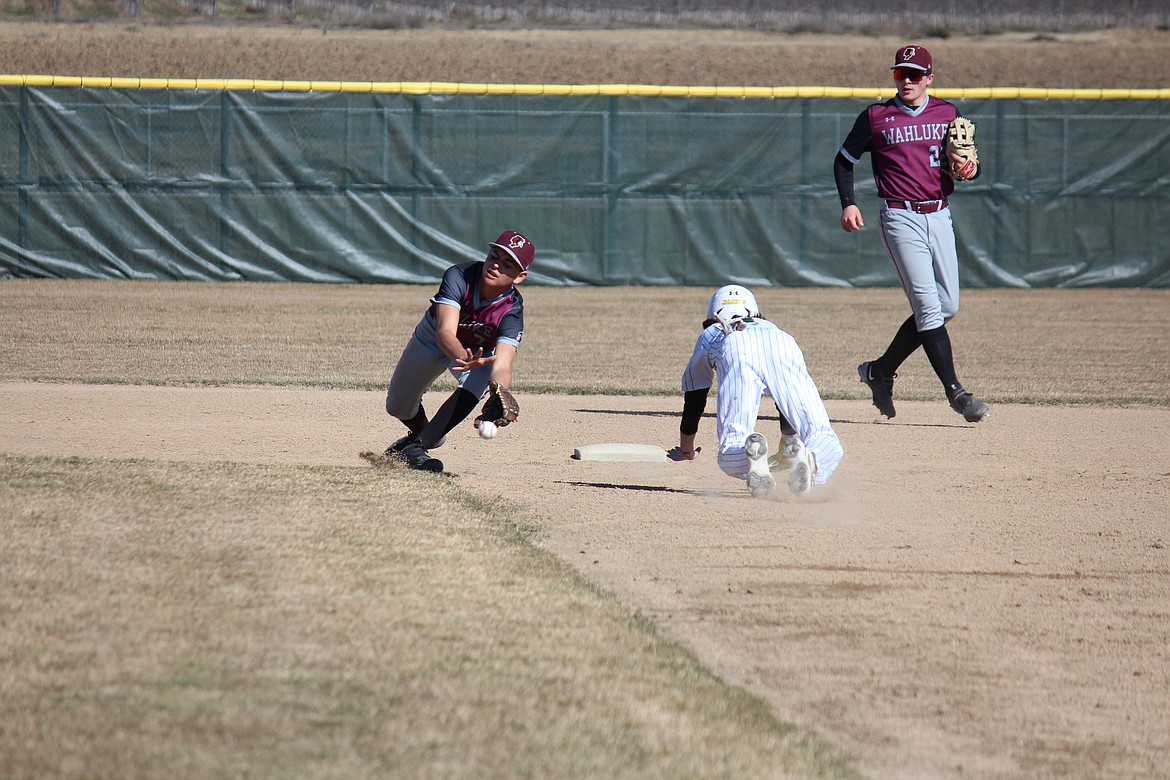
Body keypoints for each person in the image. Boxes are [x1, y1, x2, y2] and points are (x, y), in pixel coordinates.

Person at [834, 44, 990, 423]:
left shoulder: (948, 112)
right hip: (899, 216)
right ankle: (957, 393)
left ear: (929, 78)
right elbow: (844, 161)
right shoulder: (876, 116)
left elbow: (969, 166)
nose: (907, 80)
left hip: (939, 214)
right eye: (900, 73)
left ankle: (880, 370)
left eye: (915, 74)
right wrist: (848, 203)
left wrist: (969, 170)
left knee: (947, 305)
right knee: (926, 304)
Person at [667, 285, 844, 499]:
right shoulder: (771, 327)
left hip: (736, 346)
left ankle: (751, 458)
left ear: (714, 314)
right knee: (822, 434)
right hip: (783, 343)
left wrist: (687, 449)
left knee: (731, 448)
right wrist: (788, 441)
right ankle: (811, 459)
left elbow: (696, 396)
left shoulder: (711, 333)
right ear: (754, 311)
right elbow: (784, 401)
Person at [383, 230, 534, 472]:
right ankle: (427, 433)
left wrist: (500, 392)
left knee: (482, 377)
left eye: (508, 265)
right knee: (397, 407)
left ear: (520, 276)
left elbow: (503, 364)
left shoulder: (511, 311)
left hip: (478, 352)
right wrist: (462, 357)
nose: (496, 265)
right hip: (432, 337)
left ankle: (418, 446)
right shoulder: (460, 275)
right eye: (494, 255)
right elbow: (444, 332)